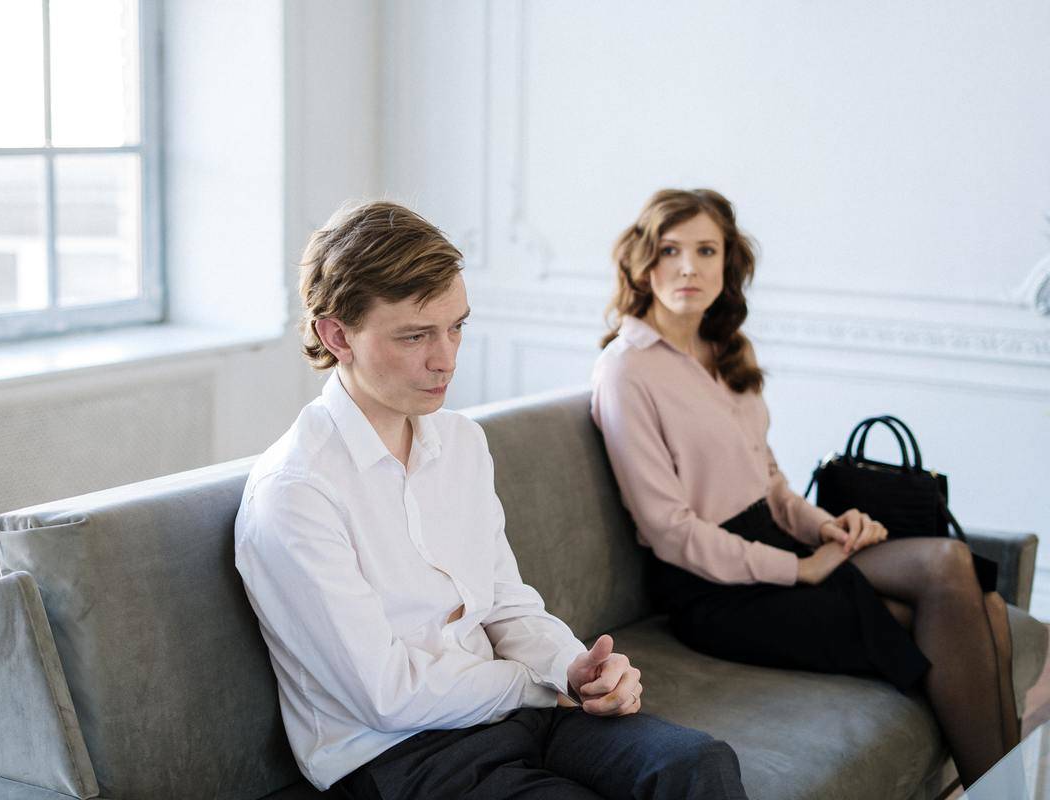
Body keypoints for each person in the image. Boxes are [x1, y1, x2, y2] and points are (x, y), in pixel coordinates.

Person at [235, 200, 749, 799]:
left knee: (698, 765)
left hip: (515, 716)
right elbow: (387, 695)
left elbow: (504, 601)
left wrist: (573, 667)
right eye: (415, 336)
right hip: (400, 756)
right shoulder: (296, 493)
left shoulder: (461, 443)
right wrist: (536, 683)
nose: (446, 358)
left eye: (456, 327)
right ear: (335, 334)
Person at [590, 188, 1019, 789]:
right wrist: (801, 570)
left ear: (727, 264)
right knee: (972, 614)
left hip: (772, 541)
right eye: (669, 250)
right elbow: (670, 531)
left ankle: (1008, 791)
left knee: (956, 570)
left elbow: (769, 481)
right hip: (711, 588)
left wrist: (825, 526)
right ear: (642, 263)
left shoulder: (727, 350)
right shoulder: (625, 369)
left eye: (706, 250)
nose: (688, 267)